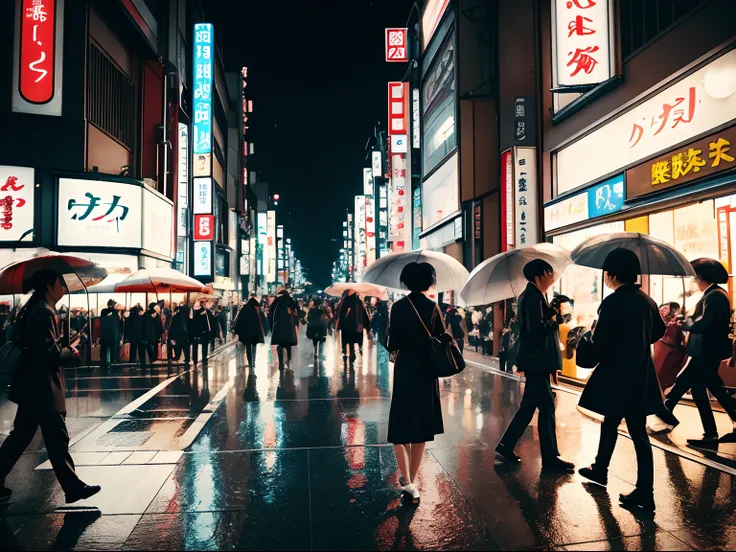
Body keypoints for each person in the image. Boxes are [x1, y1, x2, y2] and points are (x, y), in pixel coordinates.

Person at [0, 270, 100, 504]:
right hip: (42, 388)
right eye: (60, 283)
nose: (64, 287)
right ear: (49, 285)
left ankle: (73, 487)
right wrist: (71, 352)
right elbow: (47, 352)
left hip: (33, 387)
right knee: (56, 438)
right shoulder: (43, 312)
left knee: (22, 437)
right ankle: (73, 488)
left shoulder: (38, 310)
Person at [577, 248, 666, 511]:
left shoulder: (613, 302)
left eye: (607, 274)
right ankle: (601, 469)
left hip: (617, 375)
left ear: (612, 275)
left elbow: (601, 342)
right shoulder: (646, 300)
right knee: (625, 427)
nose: (606, 278)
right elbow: (657, 331)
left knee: (627, 428)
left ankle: (643, 493)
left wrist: (586, 342)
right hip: (640, 374)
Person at [495, 259, 574, 473]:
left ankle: (506, 445)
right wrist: (555, 319)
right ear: (539, 276)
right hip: (537, 361)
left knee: (529, 407)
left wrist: (550, 311)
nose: (552, 275)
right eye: (549, 271)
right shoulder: (530, 296)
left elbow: (537, 323)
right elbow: (535, 329)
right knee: (547, 408)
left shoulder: (536, 295)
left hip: (536, 360)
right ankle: (550, 458)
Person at [656, 258, 736, 446]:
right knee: (704, 389)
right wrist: (687, 318)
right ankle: (710, 433)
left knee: (684, 379)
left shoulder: (714, 295)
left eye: (696, 276)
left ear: (702, 276)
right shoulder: (715, 294)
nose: (694, 280)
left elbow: (706, 323)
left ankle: (666, 408)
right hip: (707, 350)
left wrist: (685, 323)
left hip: (706, 351)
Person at [386, 262, 446, 504]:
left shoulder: (398, 307)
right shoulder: (433, 308)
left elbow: (393, 342)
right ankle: (412, 480)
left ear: (406, 281)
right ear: (428, 282)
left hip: (405, 370)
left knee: (401, 427)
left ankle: (407, 480)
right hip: (427, 370)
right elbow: (443, 337)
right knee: (421, 427)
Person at [652, 302, 687, 391]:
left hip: (672, 352)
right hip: (663, 351)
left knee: (666, 376)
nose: (663, 310)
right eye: (663, 308)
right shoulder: (659, 321)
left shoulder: (674, 322)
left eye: (666, 308)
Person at [335, 290, 371, 366]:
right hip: (357, 325)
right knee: (354, 339)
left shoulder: (344, 301)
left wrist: (339, 325)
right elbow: (364, 314)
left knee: (347, 340)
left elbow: (340, 314)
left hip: (346, 326)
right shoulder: (358, 301)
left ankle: (347, 352)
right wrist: (367, 326)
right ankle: (353, 352)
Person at [269, 289, 299, 370]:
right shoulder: (291, 301)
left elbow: (270, 313)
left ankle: (281, 363)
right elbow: (296, 312)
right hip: (289, 327)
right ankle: (289, 359)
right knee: (288, 345)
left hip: (279, 326)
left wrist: (272, 327)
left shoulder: (277, 301)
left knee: (280, 345)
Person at [234, 295, 266, 367]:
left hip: (246, 332)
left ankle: (250, 362)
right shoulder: (257, 308)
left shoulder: (244, 308)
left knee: (248, 347)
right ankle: (253, 361)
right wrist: (263, 331)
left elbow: (239, 320)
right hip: (255, 332)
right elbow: (262, 320)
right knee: (254, 346)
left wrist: (237, 331)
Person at [99, 299, 121, 368]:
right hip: (111, 333)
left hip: (108, 333)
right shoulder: (108, 312)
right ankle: (110, 360)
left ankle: (108, 360)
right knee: (109, 347)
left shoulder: (105, 312)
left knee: (107, 347)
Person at [142, 303, 163, 369]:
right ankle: (154, 358)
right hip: (155, 334)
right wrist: (159, 334)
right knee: (155, 346)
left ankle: (151, 358)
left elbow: (143, 325)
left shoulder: (146, 315)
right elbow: (159, 326)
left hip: (147, 334)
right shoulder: (156, 315)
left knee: (149, 347)